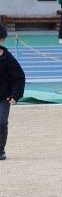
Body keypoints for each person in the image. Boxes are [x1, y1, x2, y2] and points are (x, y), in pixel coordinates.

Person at [0, 24, 26, 161]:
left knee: (2, 122)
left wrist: (16, 95)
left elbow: (19, 77)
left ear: (2, 40)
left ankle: (0, 150)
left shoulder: (8, 59)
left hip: (3, 97)